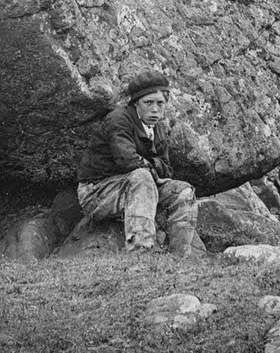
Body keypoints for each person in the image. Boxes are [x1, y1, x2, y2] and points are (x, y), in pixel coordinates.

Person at [76, 71, 199, 257]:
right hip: (96, 192)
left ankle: (179, 257)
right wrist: (152, 168)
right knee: (141, 176)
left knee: (184, 191)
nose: (155, 109)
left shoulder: (158, 129)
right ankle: (141, 253)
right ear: (135, 103)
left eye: (160, 103)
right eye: (148, 103)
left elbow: (167, 169)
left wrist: (151, 166)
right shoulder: (118, 120)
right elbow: (127, 160)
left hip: (138, 186)